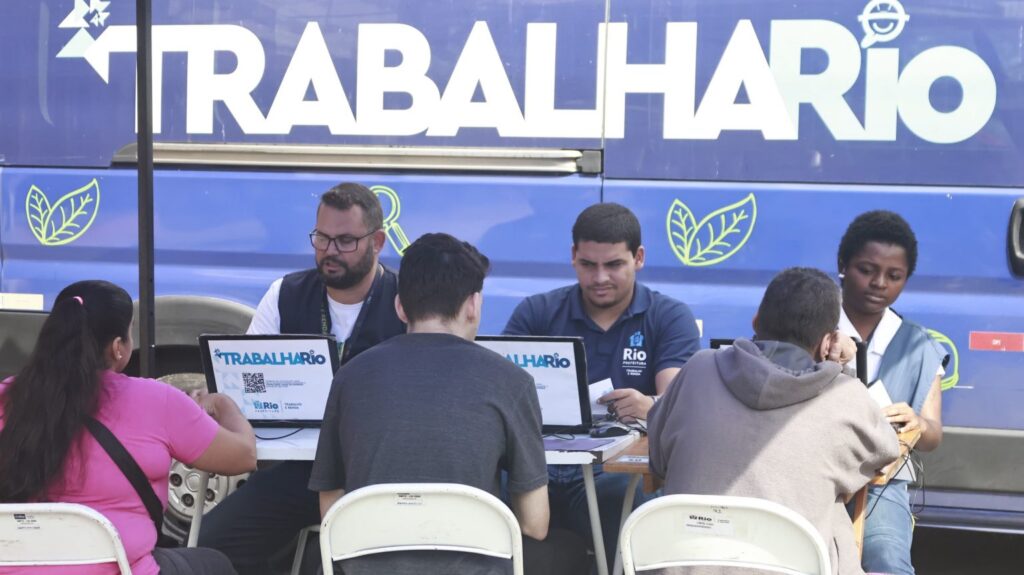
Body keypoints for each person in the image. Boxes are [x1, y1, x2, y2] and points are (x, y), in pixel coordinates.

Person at [310, 233, 589, 575]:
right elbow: (534, 524)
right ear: (473, 304)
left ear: (400, 306)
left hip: (365, 566)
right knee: (572, 548)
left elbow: (330, 511)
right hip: (475, 567)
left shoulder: (349, 377)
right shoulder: (511, 381)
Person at [198, 182, 406, 575]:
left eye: (345, 241)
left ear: (377, 242)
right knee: (214, 544)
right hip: (301, 472)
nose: (329, 251)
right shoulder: (285, 294)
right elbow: (241, 380)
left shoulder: (404, 301)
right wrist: (218, 398)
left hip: (379, 473)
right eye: (322, 238)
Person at [647, 267, 901, 575]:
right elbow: (885, 451)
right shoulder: (845, 396)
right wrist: (839, 368)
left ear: (755, 321)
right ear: (826, 343)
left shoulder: (698, 368)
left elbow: (658, 461)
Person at [0, 280, 256, 575]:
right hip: (123, 569)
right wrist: (223, 404)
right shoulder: (156, 401)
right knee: (215, 563)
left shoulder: (8, 397)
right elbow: (243, 456)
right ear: (118, 347)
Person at [503, 202, 701, 568]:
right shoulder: (537, 311)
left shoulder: (668, 316)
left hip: (613, 472)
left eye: (613, 265)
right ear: (573, 257)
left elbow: (676, 400)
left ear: (638, 258)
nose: (599, 278)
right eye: (588, 265)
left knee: (635, 519)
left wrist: (650, 405)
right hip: (533, 465)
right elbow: (499, 396)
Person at [836, 210, 947, 575]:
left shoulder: (918, 345)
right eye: (866, 270)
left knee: (886, 556)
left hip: (883, 483)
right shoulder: (813, 326)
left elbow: (932, 435)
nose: (879, 283)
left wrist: (917, 423)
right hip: (813, 471)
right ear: (843, 265)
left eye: (894, 276)